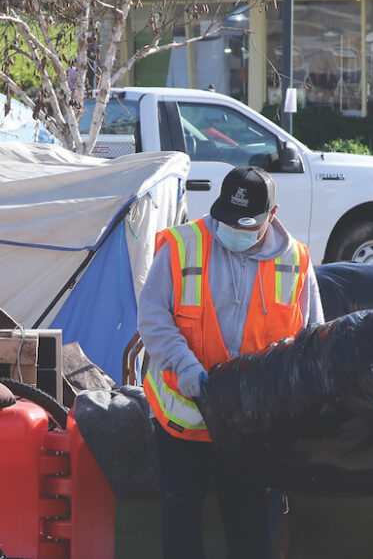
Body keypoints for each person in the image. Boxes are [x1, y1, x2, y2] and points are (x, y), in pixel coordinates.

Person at [138, 166, 324, 559]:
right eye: (226, 220)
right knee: (181, 528)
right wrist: (185, 366)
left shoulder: (296, 262)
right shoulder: (182, 244)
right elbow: (153, 315)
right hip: (184, 419)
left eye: (247, 224)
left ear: (271, 216)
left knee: (253, 533)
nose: (232, 231)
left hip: (253, 426)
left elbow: (312, 340)